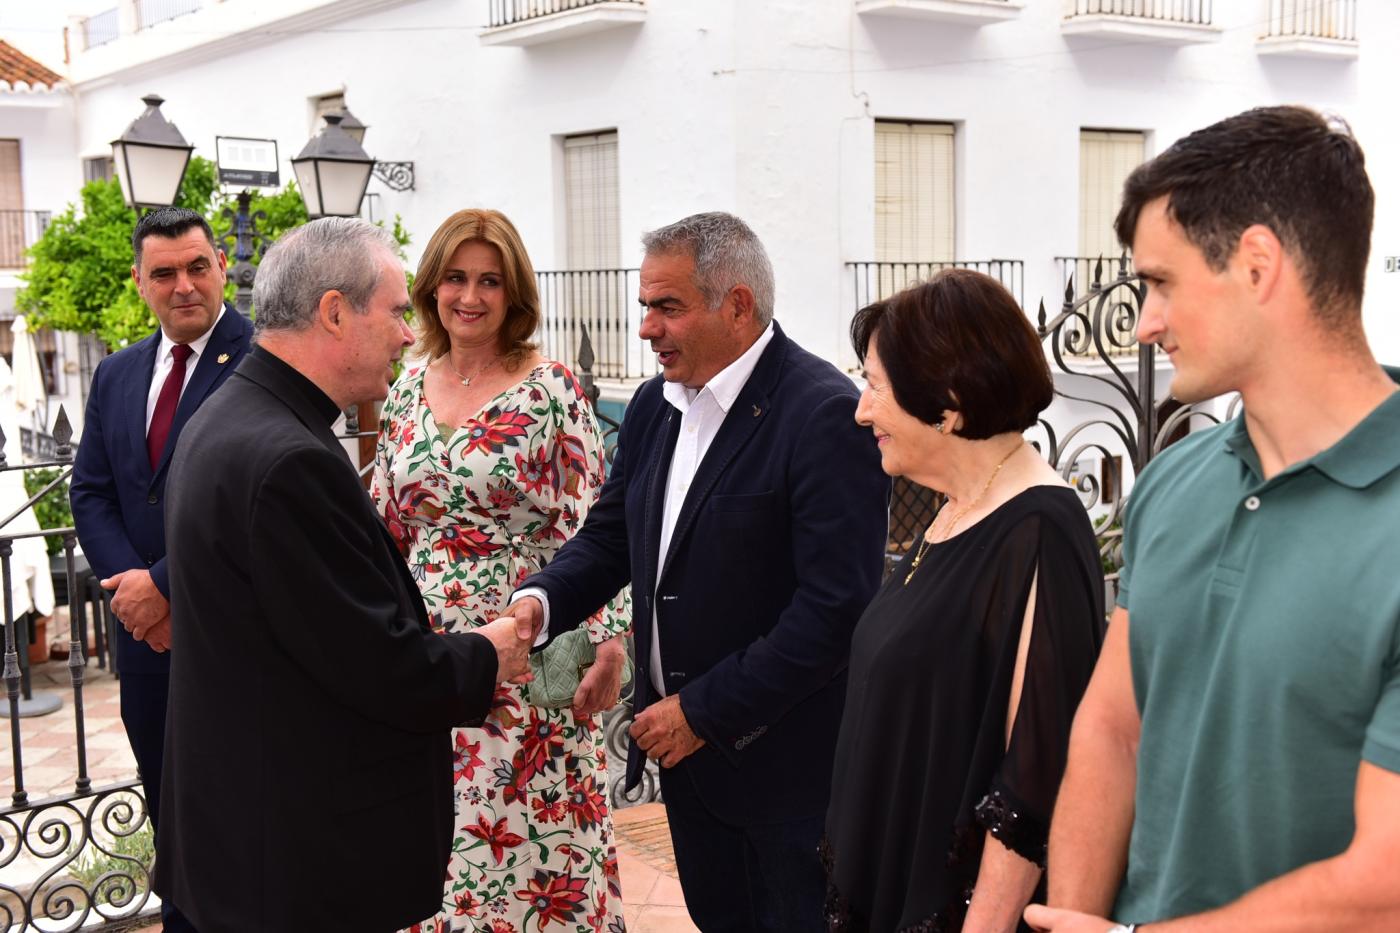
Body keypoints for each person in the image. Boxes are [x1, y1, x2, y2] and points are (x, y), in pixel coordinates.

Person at [1026, 106, 1400, 933]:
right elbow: (1113, 729)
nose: (1148, 322)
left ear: (1258, 264)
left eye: (1161, 281)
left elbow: (1386, 884)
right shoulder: (1175, 480)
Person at [508, 211, 889, 931]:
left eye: (667, 306)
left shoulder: (823, 415)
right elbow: (612, 535)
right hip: (690, 779)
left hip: (786, 779)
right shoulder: (655, 405)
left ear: (737, 305)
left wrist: (703, 712)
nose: (647, 327)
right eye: (645, 305)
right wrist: (540, 602)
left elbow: (836, 609)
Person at [154, 217, 535, 933]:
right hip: (293, 860)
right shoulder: (288, 459)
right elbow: (376, 662)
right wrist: (489, 652)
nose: (405, 333)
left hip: (241, 840)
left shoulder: (227, 416)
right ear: (335, 312)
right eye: (394, 311)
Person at [372, 208, 630, 932]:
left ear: (514, 293)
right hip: (429, 652)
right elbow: (386, 523)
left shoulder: (552, 389)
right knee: (442, 836)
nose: (471, 296)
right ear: (431, 287)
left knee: (537, 838)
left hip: (532, 639)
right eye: (456, 277)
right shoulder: (405, 386)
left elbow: (598, 522)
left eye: (490, 280)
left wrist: (609, 643)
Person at [822, 272, 1105, 932]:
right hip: (878, 880)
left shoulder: (1039, 530)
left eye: (875, 386)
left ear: (947, 405)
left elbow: (1036, 771)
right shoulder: (954, 510)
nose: (861, 410)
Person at [70, 206, 253, 932]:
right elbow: (91, 490)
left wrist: (168, 584)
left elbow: (256, 499)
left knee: (240, 814)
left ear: (220, 268)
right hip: (145, 642)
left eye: (197, 267)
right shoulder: (116, 374)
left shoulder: (264, 362)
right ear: (141, 283)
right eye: (165, 273)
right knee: (168, 809)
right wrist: (133, 590)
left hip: (233, 637)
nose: (185, 285)